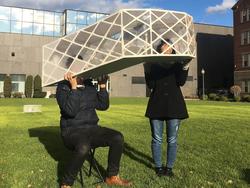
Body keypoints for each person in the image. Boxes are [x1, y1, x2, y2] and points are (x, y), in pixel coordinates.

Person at [56, 73, 131, 187]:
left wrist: (102, 86)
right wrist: (74, 87)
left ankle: (112, 176)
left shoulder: (89, 85)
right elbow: (70, 111)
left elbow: (103, 105)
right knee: (83, 146)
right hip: (71, 130)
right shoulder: (63, 87)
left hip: (92, 128)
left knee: (117, 137)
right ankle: (66, 183)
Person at [144, 39, 190, 177]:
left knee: (172, 139)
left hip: (174, 106)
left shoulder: (178, 63)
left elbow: (181, 82)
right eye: (164, 45)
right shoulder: (154, 63)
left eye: (170, 45)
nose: (167, 47)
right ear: (159, 48)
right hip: (156, 105)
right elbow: (151, 85)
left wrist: (185, 67)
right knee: (156, 139)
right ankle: (158, 167)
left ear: (173, 49)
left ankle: (169, 168)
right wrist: (146, 69)